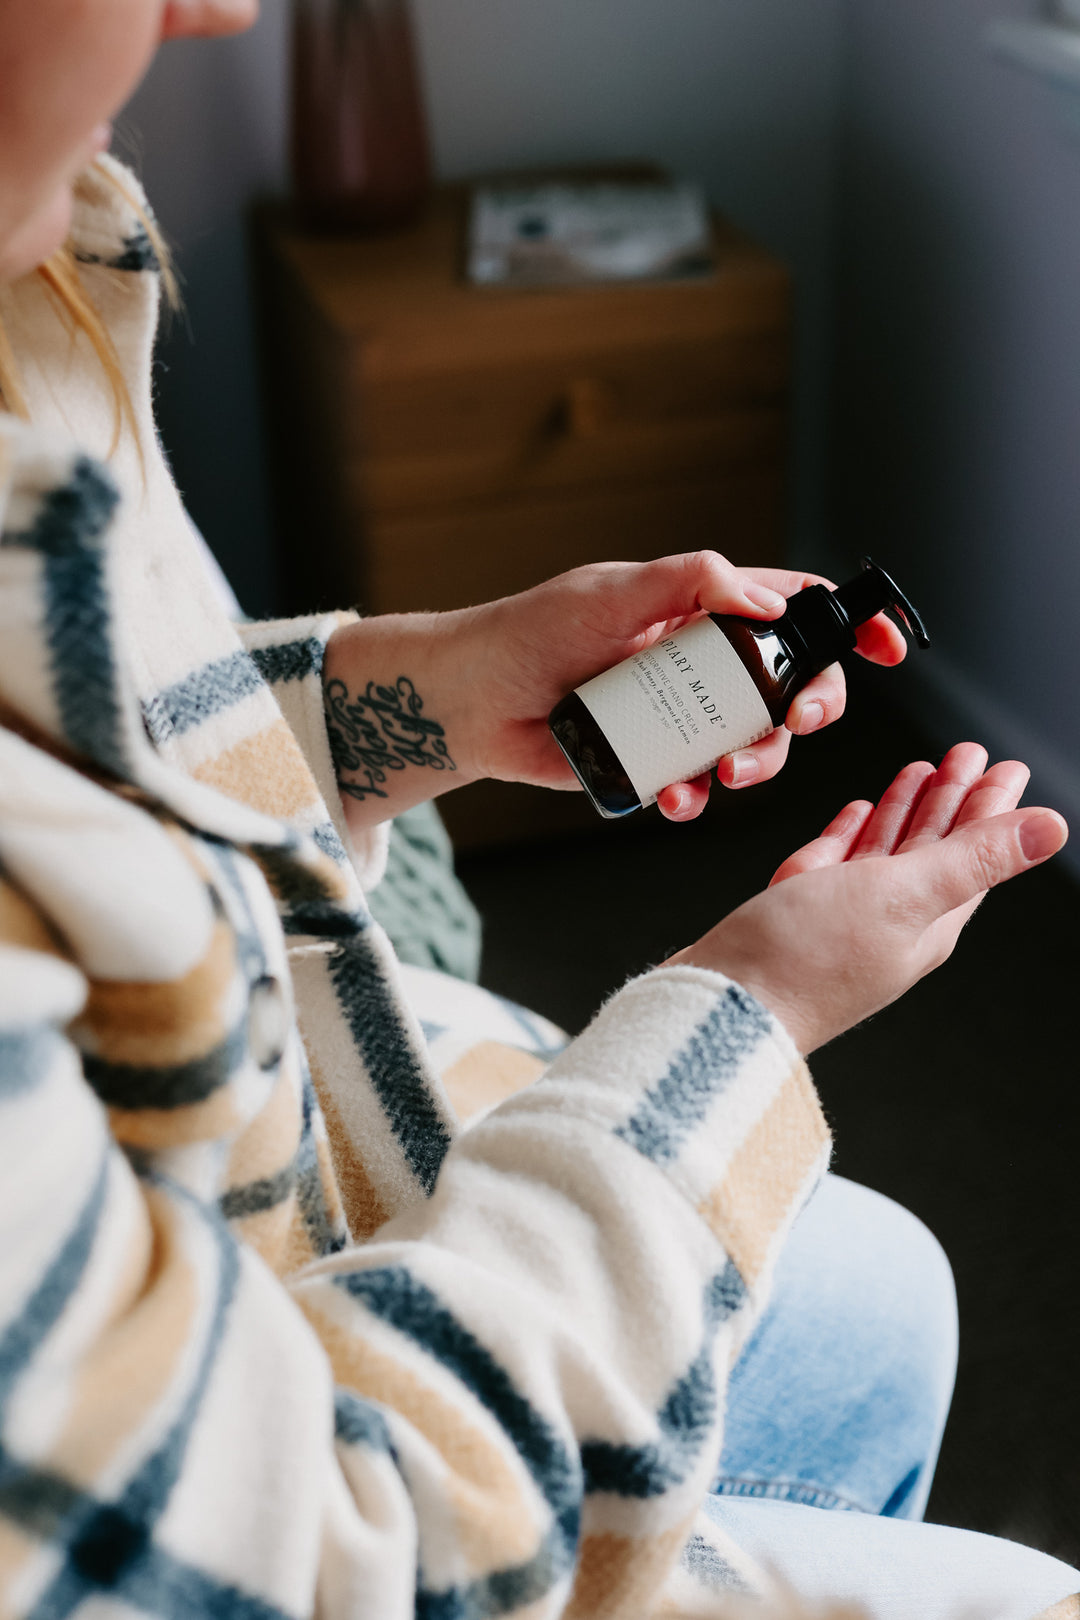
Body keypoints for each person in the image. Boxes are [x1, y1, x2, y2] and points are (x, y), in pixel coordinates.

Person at [0, 3, 1075, 1618]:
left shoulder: (37, 290)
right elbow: (335, 1558)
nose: (215, 7)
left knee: (896, 1292)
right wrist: (750, 1009)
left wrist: (427, 686)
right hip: (340, 1475)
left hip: (293, 1183)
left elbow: (100, 714)